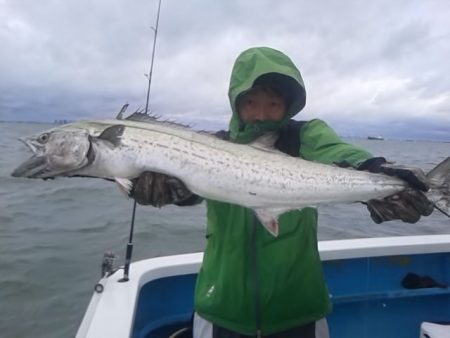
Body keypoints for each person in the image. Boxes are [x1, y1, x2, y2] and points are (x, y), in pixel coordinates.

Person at [130, 47, 434, 338]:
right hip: (220, 309)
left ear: (288, 107)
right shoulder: (210, 148)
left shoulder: (303, 137)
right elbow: (187, 188)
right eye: (251, 102)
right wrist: (157, 187)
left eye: (273, 104)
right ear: (236, 103)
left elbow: (337, 151)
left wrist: (375, 167)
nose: (261, 114)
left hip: (300, 312)